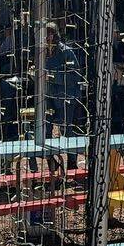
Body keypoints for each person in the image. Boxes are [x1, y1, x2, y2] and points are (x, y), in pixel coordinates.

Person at [42, 23, 86, 167]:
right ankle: (52, 163)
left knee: (66, 130)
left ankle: (72, 163)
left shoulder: (67, 52)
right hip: (49, 97)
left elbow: (75, 77)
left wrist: (52, 77)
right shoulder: (42, 53)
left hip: (67, 97)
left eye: (48, 34)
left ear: (54, 35)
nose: (46, 38)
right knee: (45, 130)